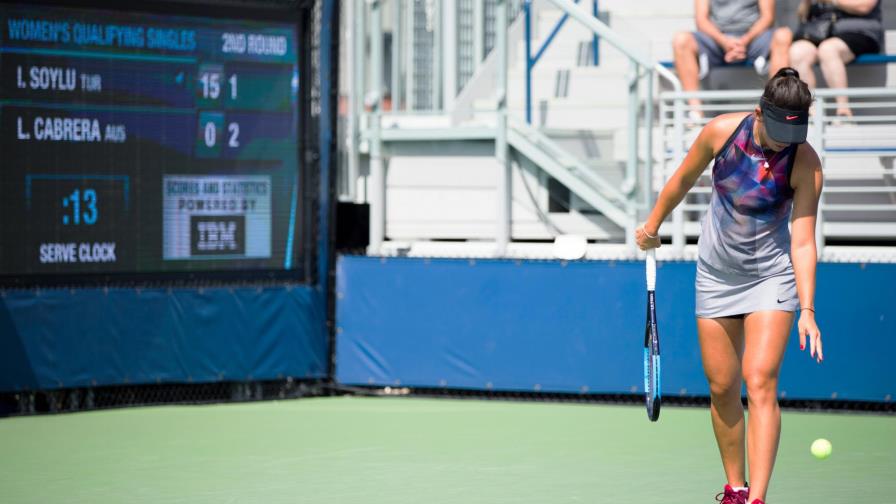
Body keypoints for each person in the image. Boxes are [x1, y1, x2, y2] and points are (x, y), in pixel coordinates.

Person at [635, 67, 824, 504]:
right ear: (759, 113)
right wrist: (651, 227)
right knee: (722, 387)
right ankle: (735, 489)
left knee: (759, 380)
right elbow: (681, 181)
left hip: (771, 277)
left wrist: (808, 310)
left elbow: (802, 241)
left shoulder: (806, 164)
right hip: (716, 276)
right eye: (777, 132)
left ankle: (757, 498)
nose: (783, 144)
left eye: (792, 136)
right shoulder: (721, 133)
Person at [672, 0, 776, 121]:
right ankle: (695, 113)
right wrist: (725, 42)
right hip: (716, 38)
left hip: (754, 37)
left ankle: (777, 110)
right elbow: (701, 20)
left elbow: (767, 17)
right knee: (681, 40)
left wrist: (743, 41)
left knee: (783, 36)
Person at [787, 0, 883, 119]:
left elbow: (864, 7)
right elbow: (802, 15)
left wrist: (832, 1)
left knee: (828, 50)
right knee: (797, 51)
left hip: (858, 31)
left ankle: (843, 113)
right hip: (820, 32)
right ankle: (812, 113)